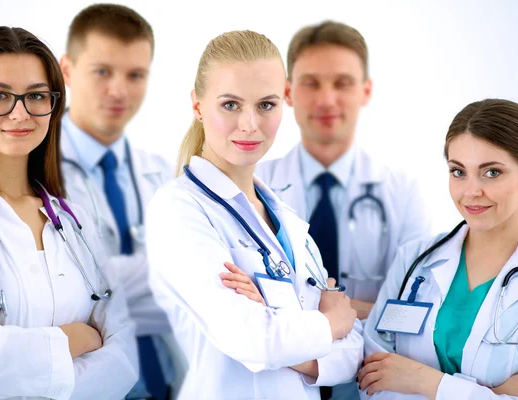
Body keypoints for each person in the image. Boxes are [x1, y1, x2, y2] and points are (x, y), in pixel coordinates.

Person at [146, 29, 363, 400]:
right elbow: (249, 339)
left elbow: (352, 355)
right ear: (198, 106)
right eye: (230, 105)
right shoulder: (177, 210)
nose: (250, 124)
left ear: (284, 103)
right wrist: (330, 323)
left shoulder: (289, 221)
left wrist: (283, 327)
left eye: (266, 105)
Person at [0, 26, 137, 399]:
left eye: (36, 96)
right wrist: (79, 337)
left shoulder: (75, 219)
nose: (20, 113)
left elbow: (126, 358)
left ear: (53, 104)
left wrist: (7, 345)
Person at [255, 22, 432, 398]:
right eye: (311, 83)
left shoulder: (402, 192)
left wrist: (305, 312)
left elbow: (415, 313)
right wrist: (359, 311)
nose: (326, 99)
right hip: (281, 380)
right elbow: (241, 305)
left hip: (371, 382)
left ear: (365, 91)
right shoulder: (254, 186)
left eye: (343, 83)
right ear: (287, 92)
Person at [359, 99, 518, 400]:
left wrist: (425, 382)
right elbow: (372, 382)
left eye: (491, 172)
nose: (471, 191)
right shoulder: (414, 261)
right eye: (458, 172)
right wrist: (492, 394)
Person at [58, 4, 179, 399]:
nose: (119, 91)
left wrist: (115, 282)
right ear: (67, 70)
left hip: (171, 380)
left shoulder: (164, 174)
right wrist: (165, 278)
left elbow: (202, 281)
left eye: (135, 75)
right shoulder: (33, 174)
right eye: (102, 72)